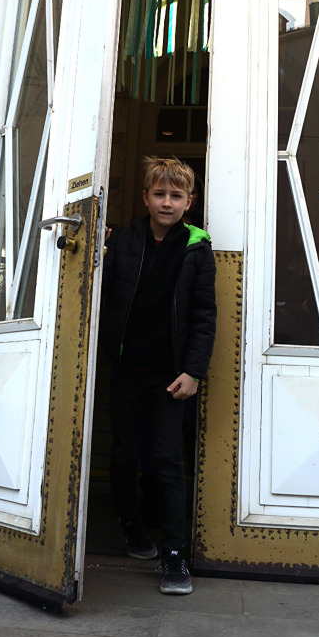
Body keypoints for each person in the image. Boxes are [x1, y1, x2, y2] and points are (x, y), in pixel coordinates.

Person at [99, 156, 217, 595]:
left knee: (167, 460)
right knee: (125, 454)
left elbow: (204, 314)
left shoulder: (197, 247)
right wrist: (97, 250)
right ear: (146, 197)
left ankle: (173, 554)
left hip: (171, 376)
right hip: (127, 369)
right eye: (159, 194)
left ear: (190, 202)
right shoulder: (124, 241)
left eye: (176, 196)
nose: (167, 203)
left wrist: (193, 371)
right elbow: (101, 292)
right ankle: (131, 526)